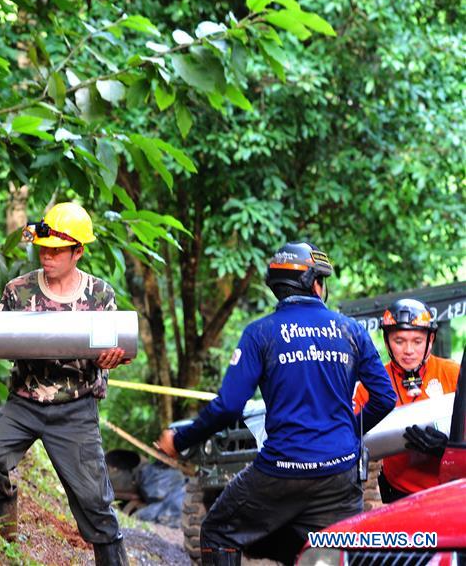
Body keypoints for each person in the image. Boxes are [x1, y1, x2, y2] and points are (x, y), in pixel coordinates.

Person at [156, 241, 396, 566]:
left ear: (276, 287)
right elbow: (384, 397)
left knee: (218, 531)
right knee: (329, 549)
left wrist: (181, 440)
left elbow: (229, 406)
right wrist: (347, 431)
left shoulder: (260, 333)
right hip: (340, 471)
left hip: (281, 470)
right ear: (315, 283)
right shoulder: (350, 330)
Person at [0, 202, 130, 566]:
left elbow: (113, 348)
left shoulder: (100, 296)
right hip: (24, 402)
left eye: (56, 251)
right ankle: (1, 547)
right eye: (43, 249)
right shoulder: (18, 291)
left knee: (95, 500)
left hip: (75, 408)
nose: (47, 256)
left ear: (78, 251)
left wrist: (111, 358)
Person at [353, 298, 460, 502]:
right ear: (386, 341)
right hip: (399, 496)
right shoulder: (372, 384)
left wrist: (449, 449)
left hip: (449, 492)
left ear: (431, 340)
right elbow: (351, 438)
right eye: (399, 341)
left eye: (417, 341)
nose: (408, 350)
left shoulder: (454, 374)